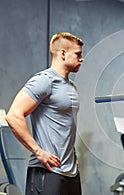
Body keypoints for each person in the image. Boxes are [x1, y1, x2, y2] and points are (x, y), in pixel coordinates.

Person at [5, 32, 84, 195]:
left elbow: (66, 126)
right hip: (47, 172)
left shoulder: (71, 87)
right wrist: (38, 151)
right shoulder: (45, 80)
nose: (81, 58)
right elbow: (13, 115)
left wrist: (72, 155)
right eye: (78, 54)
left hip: (71, 174)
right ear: (63, 53)